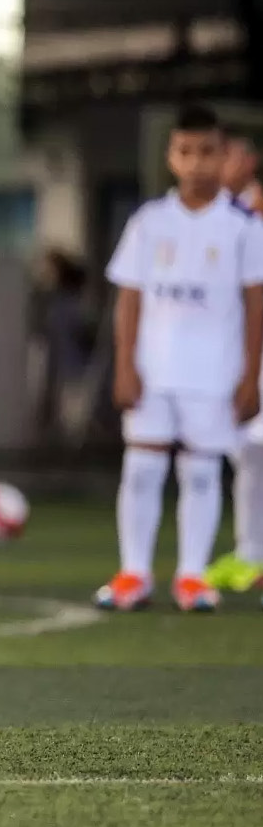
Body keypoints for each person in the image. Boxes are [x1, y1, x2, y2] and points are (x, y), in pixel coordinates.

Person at [99, 105, 263, 612]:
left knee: (201, 472)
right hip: (154, 371)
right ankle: (134, 574)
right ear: (171, 157)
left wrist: (250, 377)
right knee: (143, 469)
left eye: (207, 152)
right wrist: (125, 365)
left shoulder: (242, 226)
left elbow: (256, 304)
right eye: (186, 152)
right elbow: (129, 300)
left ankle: (192, 576)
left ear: (223, 156)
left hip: (215, 373)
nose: (197, 164)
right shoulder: (150, 221)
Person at [207, 128, 263, 596]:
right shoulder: (217, 216)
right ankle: (250, 553)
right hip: (233, 351)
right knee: (246, 454)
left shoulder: (250, 215)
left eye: (228, 154)